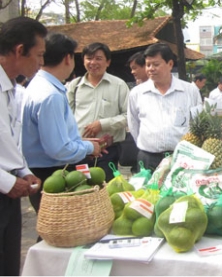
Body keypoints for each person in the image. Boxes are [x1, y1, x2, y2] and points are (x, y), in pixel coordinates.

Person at [22, 33, 103, 214]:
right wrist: (89, 148)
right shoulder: (51, 95)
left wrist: (79, 142)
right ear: (68, 58)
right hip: (54, 173)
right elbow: (58, 149)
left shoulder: (37, 86)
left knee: (52, 229)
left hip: (42, 170)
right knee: (60, 230)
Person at [0, 16, 43, 276]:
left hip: (9, 195)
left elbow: (9, 141)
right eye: (38, 55)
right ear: (19, 50)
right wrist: (6, 182)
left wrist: (23, 170)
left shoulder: (14, 90)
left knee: (8, 265)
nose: (40, 62)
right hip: (4, 187)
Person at [127, 43, 201, 172]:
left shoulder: (189, 91)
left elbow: (198, 122)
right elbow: (134, 125)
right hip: (148, 158)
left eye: (156, 64)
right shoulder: (137, 93)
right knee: (147, 192)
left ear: (170, 64)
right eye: (148, 65)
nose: (151, 69)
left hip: (182, 159)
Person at [67, 42, 129, 181]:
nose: (93, 62)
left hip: (107, 151)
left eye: (98, 58)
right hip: (80, 149)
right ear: (83, 61)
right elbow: (66, 118)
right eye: (89, 58)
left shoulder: (119, 85)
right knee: (79, 189)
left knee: (105, 191)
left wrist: (102, 124)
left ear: (108, 62)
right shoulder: (74, 86)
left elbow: (128, 116)